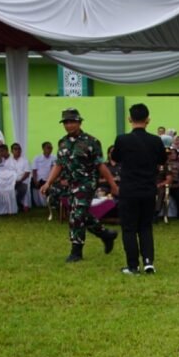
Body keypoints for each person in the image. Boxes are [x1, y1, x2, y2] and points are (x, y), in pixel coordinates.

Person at [40, 108, 119, 263]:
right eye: (66, 122)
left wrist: (112, 184)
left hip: (87, 183)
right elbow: (59, 164)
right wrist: (48, 182)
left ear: (79, 122)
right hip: (70, 184)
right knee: (79, 213)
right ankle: (105, 234)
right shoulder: (62, 142)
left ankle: (76, 251)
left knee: (76, 215)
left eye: (72, 122)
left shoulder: (91, 142)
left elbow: (100, 165)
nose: (69, 125)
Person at [110, 103, 165, 274]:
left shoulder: (122, 139)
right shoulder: (156, 141)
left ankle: (133, 266)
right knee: (145, 227)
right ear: (148, 120)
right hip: (148, 189)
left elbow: (115, 157)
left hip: (128, 190)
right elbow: (162, 160)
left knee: (129, 228)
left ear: (129, 119)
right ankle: (149, 262)